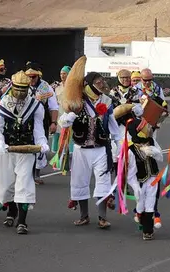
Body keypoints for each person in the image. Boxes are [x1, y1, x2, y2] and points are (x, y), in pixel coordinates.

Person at [59, 70, 120, 229]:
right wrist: (71, 116)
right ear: (89, 84)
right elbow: (62, 122)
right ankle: (83, 216)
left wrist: (119, 145)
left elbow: (113, 125)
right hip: (81, 149)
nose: (102, 85)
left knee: (103, 182)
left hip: (101, 149)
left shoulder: (107, 101)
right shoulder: (77, 100)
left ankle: (102, 218)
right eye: (98, 82)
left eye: (102, 82)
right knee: (80, 181)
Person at [0, 71, 49, 235]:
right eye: (18, 89)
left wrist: (42, 143)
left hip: (26, 150)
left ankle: (22, 222)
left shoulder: (35, 106)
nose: (21, 93)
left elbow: (38, 129)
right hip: (8, 150)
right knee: (5, 185)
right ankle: (11, 211)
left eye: (24, 89)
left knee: (24, 184)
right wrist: (0, 144)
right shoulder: (4, 103)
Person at [120, 103, 165, 240]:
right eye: (145, 128)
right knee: (141, 203)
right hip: (140, 180)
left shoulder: (151, 141)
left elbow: (161, 158)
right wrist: (134, 187)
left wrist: (154, 152)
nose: (149, 129)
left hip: (153, 178)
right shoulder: (132, 150)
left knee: (150, 203)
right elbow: (131, 174)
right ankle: (139, 214)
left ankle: (148, 230)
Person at [25, 62, 59, 185]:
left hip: (41, 121)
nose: (31, 79)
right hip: (24, 121)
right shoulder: (22, 84)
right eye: (29, 76)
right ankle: (26, 173)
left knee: (40, 147)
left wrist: (54, 123)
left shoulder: (46, 87)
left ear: (38, 76)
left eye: (33, 77)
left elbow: (53, 106)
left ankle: (36, 173)